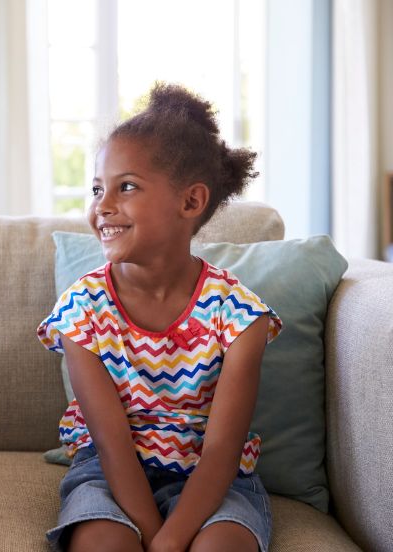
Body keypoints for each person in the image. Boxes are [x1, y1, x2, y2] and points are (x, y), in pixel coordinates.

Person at [36, 83, 282, 552]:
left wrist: (170, 542)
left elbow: (221, 453)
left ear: (190, 202)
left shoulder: (240, 316)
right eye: (96, 189)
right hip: (109, 472)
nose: (102, 205)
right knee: (106, 544)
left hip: (213, 478)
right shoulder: (81, 310)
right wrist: (151, 536)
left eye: (126, 186)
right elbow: (111, 446)